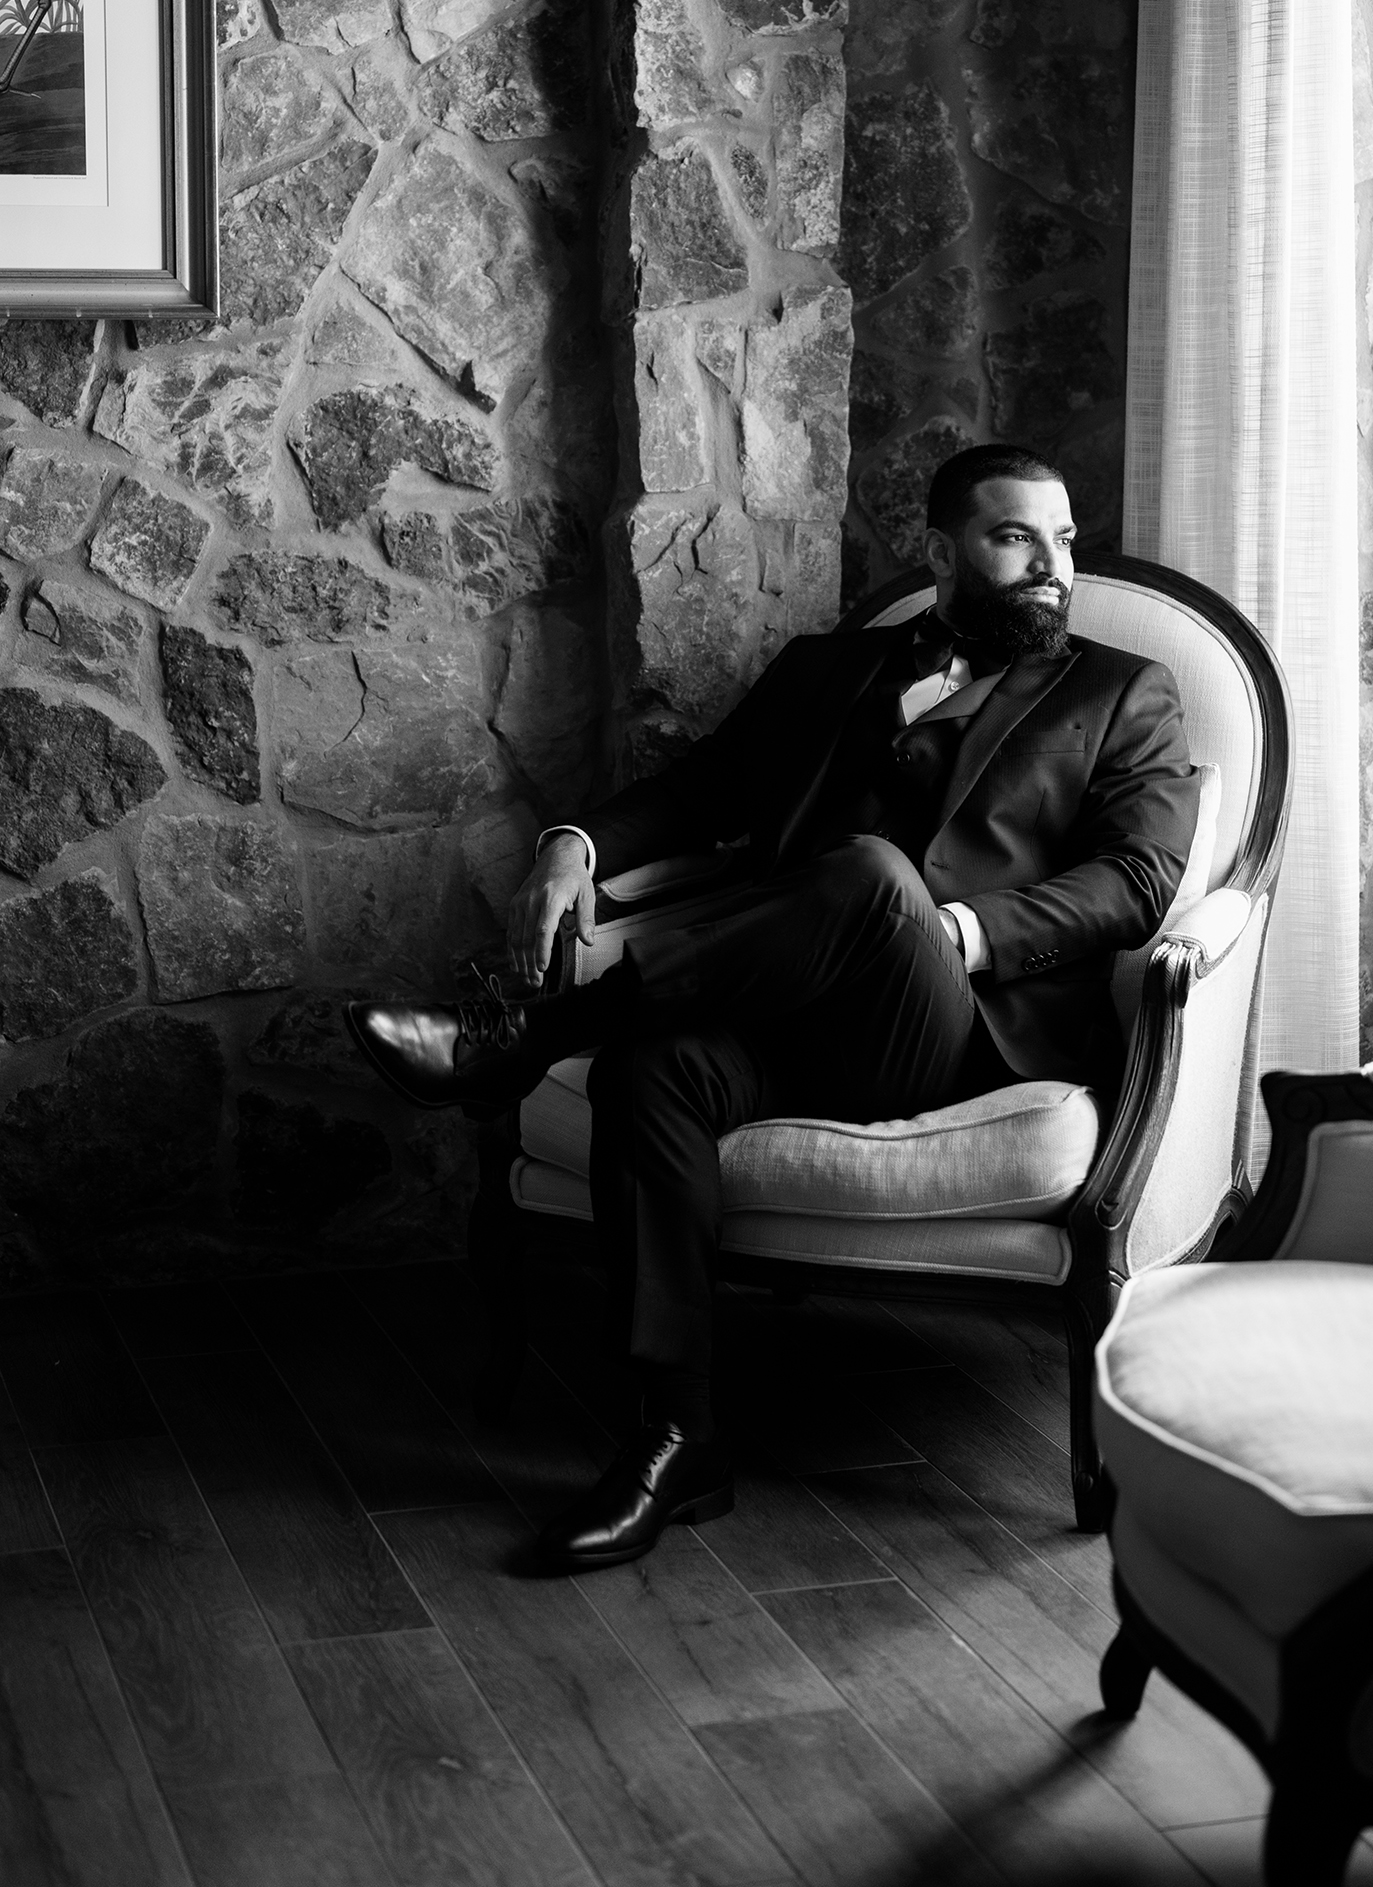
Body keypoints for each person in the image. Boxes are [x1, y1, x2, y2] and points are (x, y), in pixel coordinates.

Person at [345, 443, 1199, 1571]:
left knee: (870, 876)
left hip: (955, 1031)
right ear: (941, 553)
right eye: (1015, 537)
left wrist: (957, 933)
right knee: (649, 1073)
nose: (1052, 564)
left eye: (1064, 539)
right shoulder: (823, 669)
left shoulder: (1121, 692)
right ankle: (676, 1438)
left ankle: (521, 1039)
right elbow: (700, 789)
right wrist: (571, 843)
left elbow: (1136, 880)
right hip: (787, 1013)